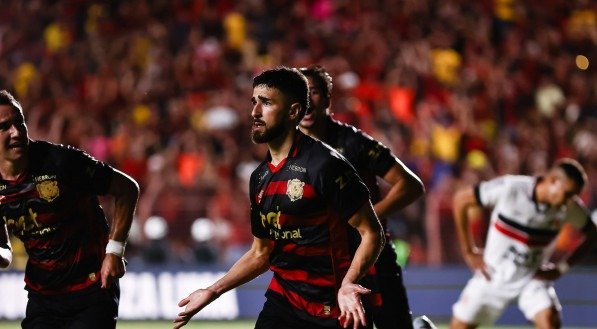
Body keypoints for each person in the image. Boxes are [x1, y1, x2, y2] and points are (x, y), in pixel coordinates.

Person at [173, 66, 385, 329]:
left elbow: (372, 233)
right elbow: (261, 253)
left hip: (336, 308)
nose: (255, 112)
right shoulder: (260, 177)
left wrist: (348, 283)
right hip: (284, 303)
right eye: (254, 102)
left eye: (266, 103)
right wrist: (212, 291)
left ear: (294, 111)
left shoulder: (325, 165)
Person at [298, 65, 429, 329]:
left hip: (374, 257)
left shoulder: (354, 142)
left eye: (313, 92)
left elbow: (411, 185)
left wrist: (369, 218)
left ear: (327, 98)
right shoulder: (287, 149)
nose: (307, 101)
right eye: (301, 94)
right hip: (325, 262)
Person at [0, 90, 140, 329]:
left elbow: (127, 188)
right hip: (43, 295)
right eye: (4, 126)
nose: (16, 132)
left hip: (92, 288)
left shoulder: (61, 162)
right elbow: (4, 250)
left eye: (19, 122)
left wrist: (115, 251)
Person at [450, 158, 596, 329]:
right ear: (553, 181)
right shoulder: (511, 189)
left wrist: (561, 268)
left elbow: (593, 235)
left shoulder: (569, 207)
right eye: (568, 194)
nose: (569, 201)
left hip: (531, 277)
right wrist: (468, 251)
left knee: (549, 320)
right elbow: (461, 200)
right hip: (494, 274)